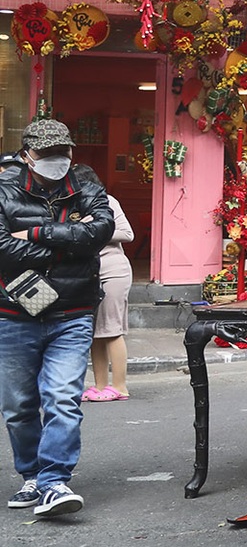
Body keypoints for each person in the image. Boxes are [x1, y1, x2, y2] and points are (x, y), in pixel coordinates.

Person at [1, 117, 114, 518]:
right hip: (13, 313)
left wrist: (33, 234)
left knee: (63, 397)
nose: (56, 161)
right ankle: (31, 475)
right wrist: (68, 236)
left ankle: (53, 482)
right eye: (47, 154)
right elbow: (1, 248)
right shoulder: (4, 187)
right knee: (18, 405)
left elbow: (100, 231)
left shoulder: (86, 184)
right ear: (27, 155)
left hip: (73, 309)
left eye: (62, 153)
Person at [84, 194, 135, 402]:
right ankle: (100, 386)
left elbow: (127, 233)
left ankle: (120, 387)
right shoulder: (69, 202)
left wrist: (94, 229)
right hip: (89, 272)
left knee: (112, 329)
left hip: (112, 270)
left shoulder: (107, 201)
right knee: (96, 333)